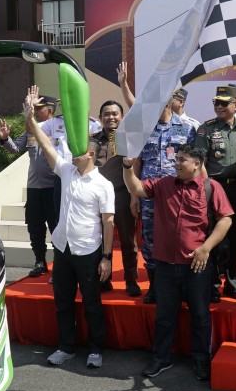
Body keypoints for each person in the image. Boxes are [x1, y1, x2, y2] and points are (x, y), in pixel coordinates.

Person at [123, 145, 233, 382]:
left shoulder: (211, 187)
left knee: (200, 315)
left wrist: (206, 249)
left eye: (183, 160)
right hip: (164, 264)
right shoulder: (163, 184)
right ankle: (161, 358)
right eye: (177, 159)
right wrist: (127, 166)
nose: (177, 163)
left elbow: (225, 220)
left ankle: (201, 359)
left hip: (197, 265)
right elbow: (136, 187)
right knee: (164, 315)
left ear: (197, 163)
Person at [23, 88, 115, 369]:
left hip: (88, 251)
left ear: (89, 154)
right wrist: (29, 117)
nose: (70, 152)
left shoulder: (103, 185)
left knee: (92, 304)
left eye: (77, 150)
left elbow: (108, 222)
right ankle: (66, 347)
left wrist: (107, 257)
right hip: (62, 248)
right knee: (63, 301)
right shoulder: (65, 170)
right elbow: (46, 144)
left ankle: (96, 349)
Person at [118, 68, 197, 303]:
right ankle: (154, 286)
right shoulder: (145, 129)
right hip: (149, 193)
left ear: (171, 102)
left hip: (178, 194)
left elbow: (194, 162)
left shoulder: (186, 129)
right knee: (150, 239)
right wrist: (134, 196)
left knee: (179, 237)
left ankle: (180, 287)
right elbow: (138, 163)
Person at [195, 85, 236, 300]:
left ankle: (232, 282)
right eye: (215, 103)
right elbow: (200, 162)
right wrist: (207, 188)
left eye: (223, 103)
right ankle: (211, 284)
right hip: (214, 187)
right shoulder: (206, 129)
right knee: (212, 235)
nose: (218, 106)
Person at [0, 94, 59, 277]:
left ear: (50, 110)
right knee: (35, 227)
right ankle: (40, 261)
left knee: (56, 227)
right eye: (34, 108)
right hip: (34, 189)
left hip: (54, 187)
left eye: (39, 108)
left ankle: (60, 264)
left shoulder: (58, 129)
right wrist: (5, 139)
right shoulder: (30, 131)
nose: (35, 111)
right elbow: (15, 149)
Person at [91, 100, 141, 296]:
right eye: (106, 114)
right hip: (98, 198)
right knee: (101, 239)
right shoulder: (93, 139)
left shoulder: (130, 139)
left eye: (115, 114)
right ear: (101, 117)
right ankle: (104, 279)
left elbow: (136, 169)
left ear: (121, 116)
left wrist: (133, 197)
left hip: (122, 194)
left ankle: (131, 281)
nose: (110, 117)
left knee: (129, 241)